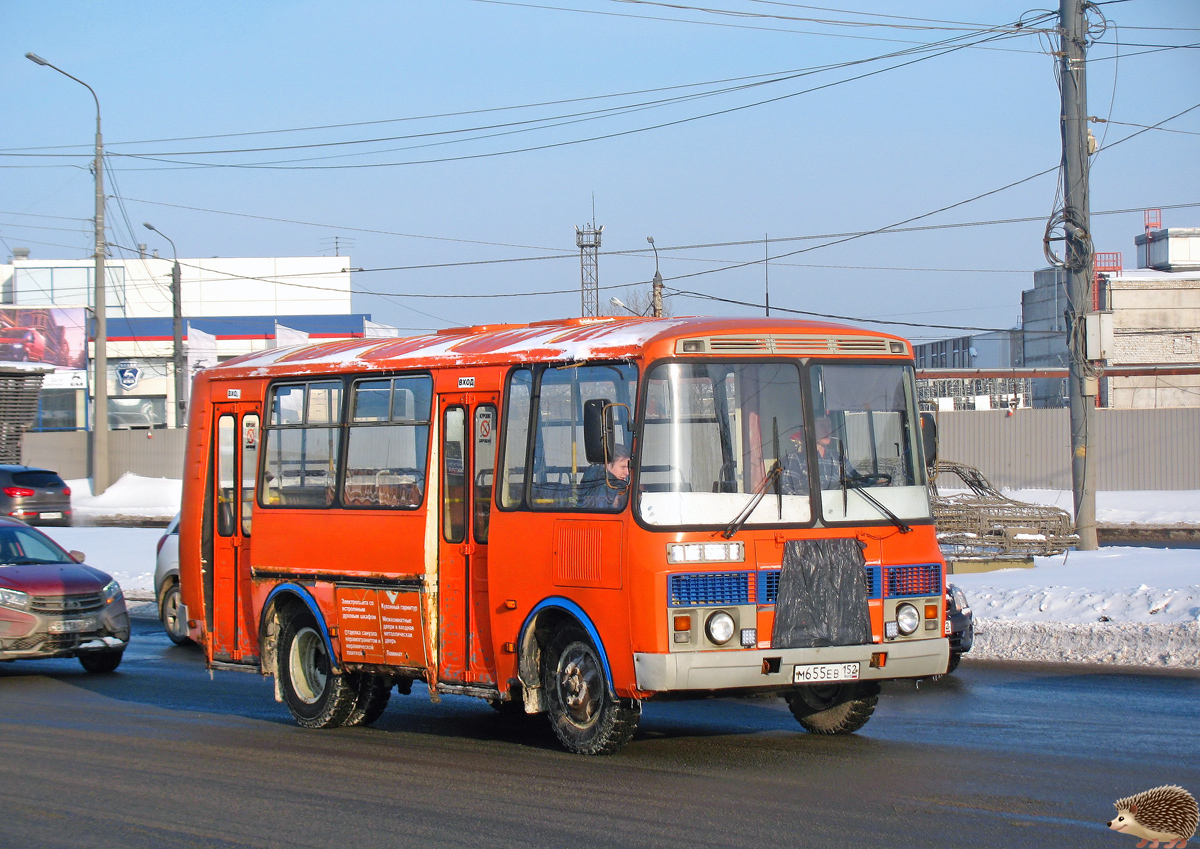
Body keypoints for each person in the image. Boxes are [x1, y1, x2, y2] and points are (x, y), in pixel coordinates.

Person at [780, 417, 854, 494]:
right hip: (808, 504)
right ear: (810, 431)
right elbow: (787, 487)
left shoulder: (838, 457)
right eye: (822, 426)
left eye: (829, 426)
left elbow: (855, 479)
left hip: (837, 504)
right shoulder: (796, 458)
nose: (827, 431)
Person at [580, 444, 631, 508]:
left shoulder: (591, 479)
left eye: (628, 468)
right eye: (623, 467)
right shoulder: (612, 488)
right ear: (608, 464)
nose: (627, 473)